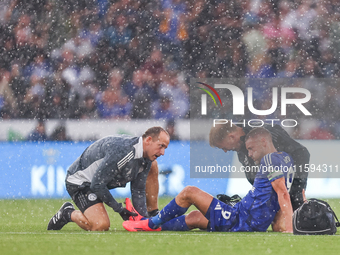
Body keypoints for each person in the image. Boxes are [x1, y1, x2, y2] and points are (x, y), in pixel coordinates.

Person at [123, 127, 293, 233]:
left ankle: (149, 224)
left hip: (240, 220)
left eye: (251, 149)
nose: (249, 154)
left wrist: (290, 229)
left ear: (264, 142)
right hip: (245, 217)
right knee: (196, 217)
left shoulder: (270, 160)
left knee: (189, 192)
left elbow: (283, 194)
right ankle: (146, 223)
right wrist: (279, 225)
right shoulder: (286, 159)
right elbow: (278, 197)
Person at [47, 126, 170, 231]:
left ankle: (152, 214)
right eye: (161, 146)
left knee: (153, 165)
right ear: (148, 140)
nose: (163, 152)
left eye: (165, 148)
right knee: (101, 225)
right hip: (79, 182)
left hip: (98, 182)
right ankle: (67, 213)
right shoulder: (124, 152)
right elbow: (97, 185)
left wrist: (143, 222)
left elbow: (138, 190)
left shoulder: (146, 156)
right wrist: (119, 208)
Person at [209, 122, 309, 211]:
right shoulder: (240, 149)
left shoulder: (265, 133)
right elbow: (254, 178)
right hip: (274, 192)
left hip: (285, 188)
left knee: (296, 219)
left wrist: (295, 189)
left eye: (223, 147)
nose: (225, 151)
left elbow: (301, 152)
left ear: (231, 137)